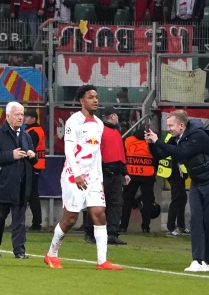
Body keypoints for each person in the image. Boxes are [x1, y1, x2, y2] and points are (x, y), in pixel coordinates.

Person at [45, 85, 122, 270]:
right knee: (71, 218)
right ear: (82, 101)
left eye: (96, 97)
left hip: (93, 176)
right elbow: (68, 150)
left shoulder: (99, 124)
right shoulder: (74, 121)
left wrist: (100, 178)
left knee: (99, 214)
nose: (95, 100)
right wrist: (77, 174)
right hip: (74, 175)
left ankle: (102, 261)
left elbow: (97, 154)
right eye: (90, 97)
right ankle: (51, 254)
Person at [146, 110, 209, 272]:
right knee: (195, 220)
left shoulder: (198, 136)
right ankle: (197, 260)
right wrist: (151, 143)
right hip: (198, 182)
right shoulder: (177, 138)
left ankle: (206, 261)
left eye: (171, 125)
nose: (168, 129)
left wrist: (158, 141)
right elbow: (162, 156)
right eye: (167, 125)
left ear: (181, 125)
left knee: (208, 223)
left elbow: (181, 153)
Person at [0, 101, 35, 259]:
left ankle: (19, 251)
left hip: (22, 184)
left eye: (22, 114)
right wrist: (10, 155)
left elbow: (31, 157)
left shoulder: (26, 136)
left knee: (19, 219)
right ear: (8, 116)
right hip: (4, 184)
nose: (21, 117)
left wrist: (33, 156)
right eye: (17, 114)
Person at [81, 107, 128, 245]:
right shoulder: (101, 131)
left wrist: (124, 172)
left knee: (115, 204)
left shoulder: (114, 132)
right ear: (113, 116)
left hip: (114, 173)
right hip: (102, 171)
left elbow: (120, 154)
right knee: (97, 203)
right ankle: (91, 232)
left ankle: (111, 233)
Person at [121, 123, 156, 236]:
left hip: (131, 174)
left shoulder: (128, 140)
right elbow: (158, 156)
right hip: (148, 175)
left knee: (127, 201)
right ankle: (146, 227)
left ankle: (123, 226)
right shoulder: (151, 140)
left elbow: (123, 156)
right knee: (147, 202)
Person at [23, 109, 46, 231]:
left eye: (27, 116)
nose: (24, 118)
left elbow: (29, 150)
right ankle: (36, 223)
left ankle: (36, 223)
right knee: (32, 195)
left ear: (33, 119)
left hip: (32, 165)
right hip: (36, 165)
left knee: (31, 194)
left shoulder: (32, 131)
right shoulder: (35, 130)